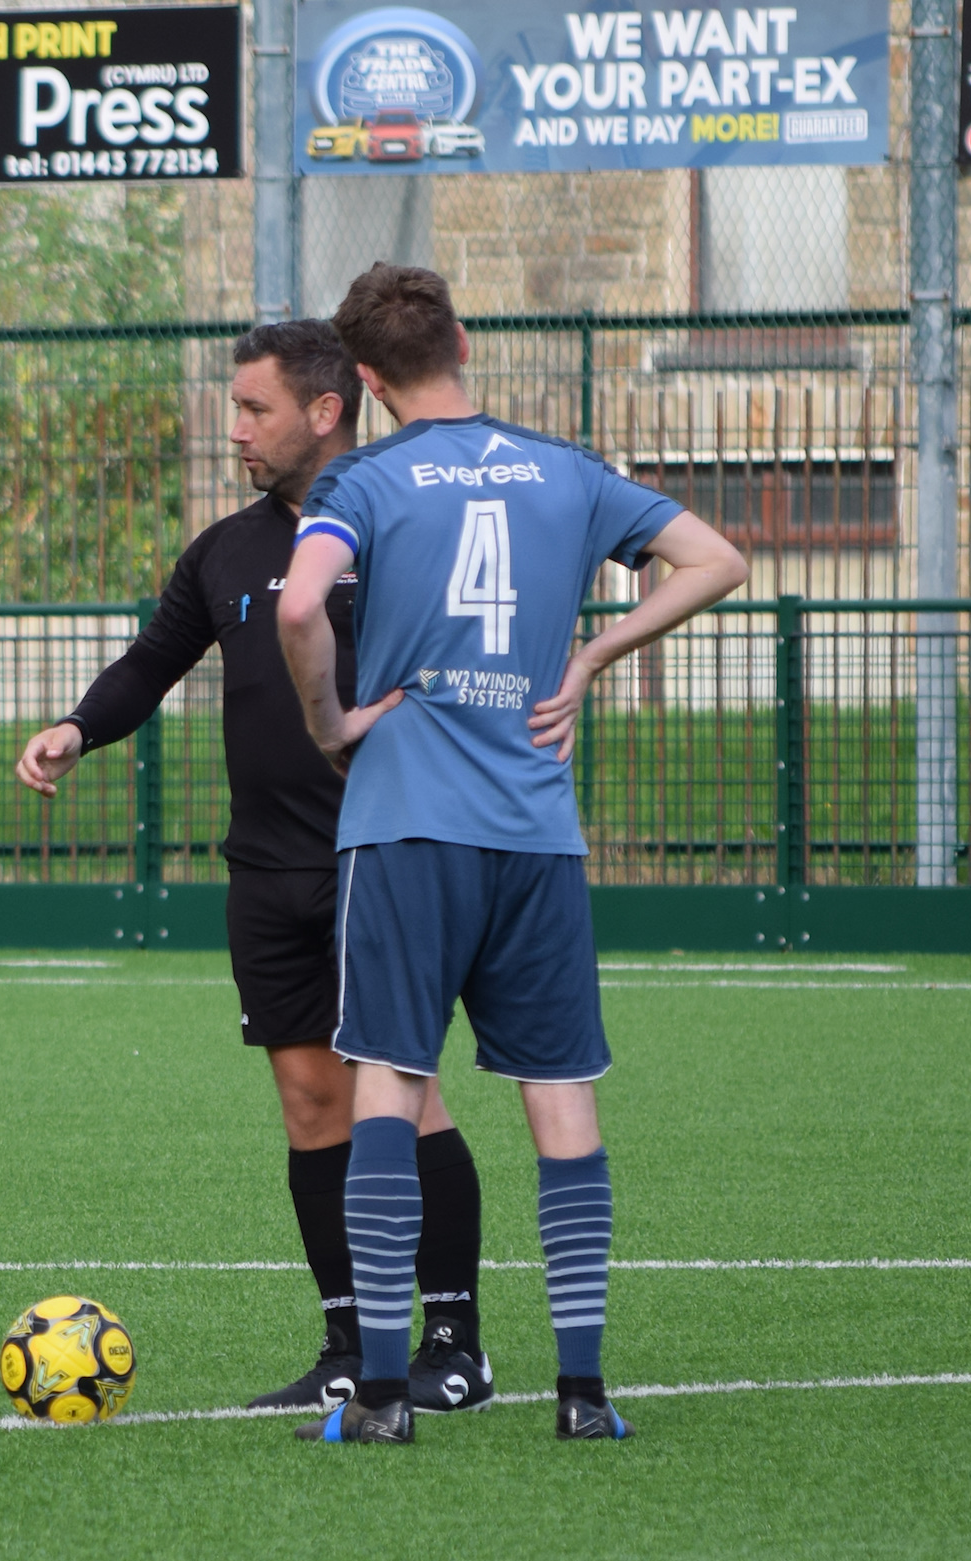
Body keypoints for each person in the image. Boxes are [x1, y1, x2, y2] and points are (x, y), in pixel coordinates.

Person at [278, 265, 748, 1445]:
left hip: (405, 823)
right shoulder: (565, 471)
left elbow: (296, 608)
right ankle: (581, 1394)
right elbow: (718, 559)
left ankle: (383, 1395)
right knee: (560, 1100)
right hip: (534, 830)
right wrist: (591, 658)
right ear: (466, 344)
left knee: (387, 1075)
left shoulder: (367, 477)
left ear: (367, 380)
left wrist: (331, 723)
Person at [13, 320, 496, 1417]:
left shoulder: (406, 519)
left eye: (252, 407)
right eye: (232, 407)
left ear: (324, 410)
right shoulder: (224, 548)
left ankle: (455, 1340)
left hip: (387, 851)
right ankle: (343, 1341)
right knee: (310, 1100)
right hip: (266, 869)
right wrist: (78, 728)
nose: (233, 428)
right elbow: (153, 659)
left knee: (403, 1095)